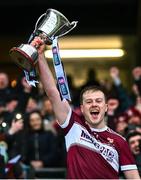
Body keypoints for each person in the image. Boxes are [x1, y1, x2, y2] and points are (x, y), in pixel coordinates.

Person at [31, 37, 140, 179]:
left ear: (106, 107)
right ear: (82, 109)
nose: (94, 104)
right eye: (89, 102)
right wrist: (40, 56)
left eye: (98, 101)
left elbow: (133, 177)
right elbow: (52, 92)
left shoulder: (120, 141)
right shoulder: (73, 126)